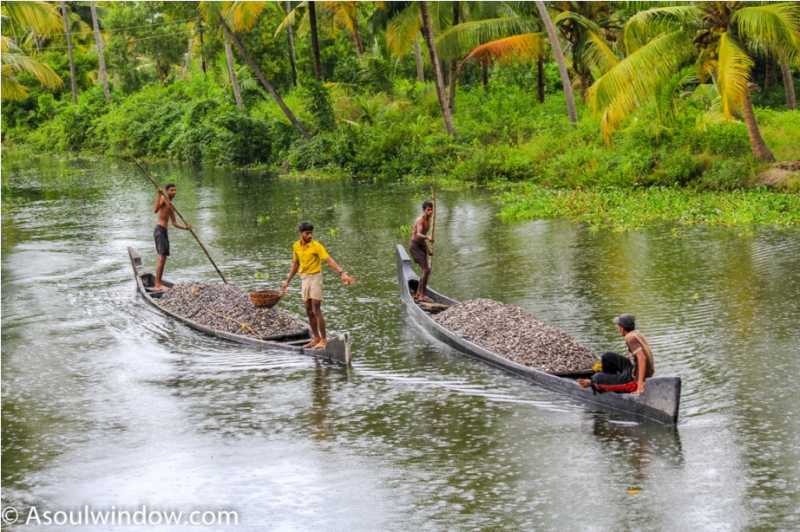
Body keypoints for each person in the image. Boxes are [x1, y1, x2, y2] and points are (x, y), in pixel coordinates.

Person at [281, 222, 354, 350]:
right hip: (304, 278)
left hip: (315, 277)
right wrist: (287, 281)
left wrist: (342, 273)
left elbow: (329, 260)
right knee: (308, 310)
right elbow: (295, 265)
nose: (310, 235)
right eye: (307, 233)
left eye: (311, 233)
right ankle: (316, 338)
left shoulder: (316, 246)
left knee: (316, 308)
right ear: (301, 234)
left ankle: (324, 340)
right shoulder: (296, 246)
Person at [578, 314, 655, 395]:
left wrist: (639, 386)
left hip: (633, 377)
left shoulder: (630, 338)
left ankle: (608, 379)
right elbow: (637, 357)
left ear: (622, 328)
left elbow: (642, 358)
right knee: (607, 356)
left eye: (618, 326)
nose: (617, 328)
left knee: (597, 377)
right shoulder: (636, 333)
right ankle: (611, 377)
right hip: (633, 369)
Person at [153, 184, 191, 291]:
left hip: (164, 231)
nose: (174, 192)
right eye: (171, 190)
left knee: (163, 258)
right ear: (166, 191)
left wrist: (186, 227)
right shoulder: (163, 198)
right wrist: (158, 195)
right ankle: (157, 284)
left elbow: (174, 223)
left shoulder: (171, 205)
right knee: (161, 258)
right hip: (159, 230)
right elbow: (155, 210)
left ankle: (158, 282)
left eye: (175, 190)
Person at [409, 200, 434, 302]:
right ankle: (420, 295)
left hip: (422, 245)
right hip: (415, 246)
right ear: (424, 210)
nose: (430, 211)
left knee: (427, 270)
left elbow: (422, 239)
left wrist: (428, 249)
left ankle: (420, 293)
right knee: (426, 270)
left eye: (432, 209)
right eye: (428, 210)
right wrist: (428, 237)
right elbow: (418, 234)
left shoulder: (429, 220)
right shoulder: (420, 220)